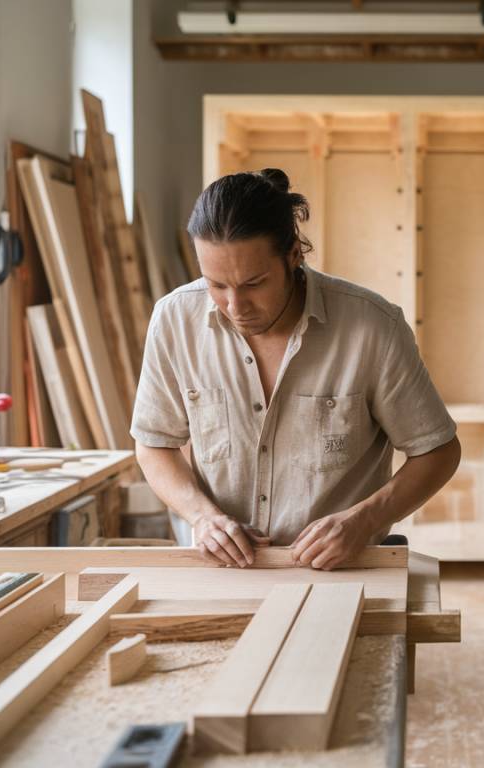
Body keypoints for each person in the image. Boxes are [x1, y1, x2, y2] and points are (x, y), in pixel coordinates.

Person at [131, 168, 461, 570]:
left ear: (294, 255)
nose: (235, 306)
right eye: (216, 284)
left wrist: (367, 519)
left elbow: (438, 451)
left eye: (254, 284)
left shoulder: (372, 327)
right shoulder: (174, 319)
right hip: (222, 572)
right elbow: (153, 443)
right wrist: (203, 517)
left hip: (342, 570)